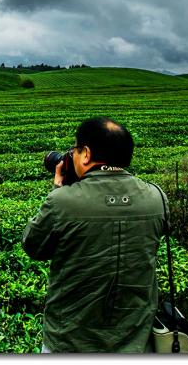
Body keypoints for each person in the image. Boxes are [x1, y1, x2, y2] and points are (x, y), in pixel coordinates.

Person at [22, 117, 166, 353]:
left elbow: (33, 246)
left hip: (70, 340)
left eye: (76, 151)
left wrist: (59, 191)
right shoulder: (156, 197)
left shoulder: (63, 201)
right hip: (135, 338)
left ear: (86, 154)